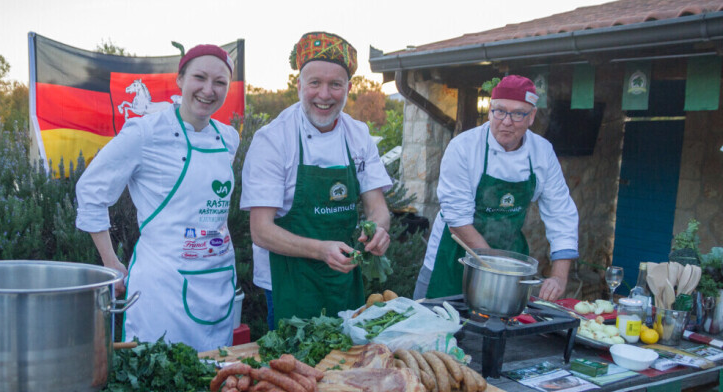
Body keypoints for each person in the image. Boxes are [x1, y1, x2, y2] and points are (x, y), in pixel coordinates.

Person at [76, 44, 240, 352]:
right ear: (180, 80)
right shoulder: (145, 133)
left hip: (216, 282)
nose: (208, 90)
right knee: (158, 384)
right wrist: (111, 262)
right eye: (199, 77)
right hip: (161, 290)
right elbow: (91, 190)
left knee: (212, 386)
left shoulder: (228, 138)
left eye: (220, 82)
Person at [240, 32, 392, 328]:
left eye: (335, 84)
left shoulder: (358, 135)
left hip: (343, 276)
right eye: (315, 83)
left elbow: (378, 207)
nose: (325, 95)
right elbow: (261, 231)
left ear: (348, 88)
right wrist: (321, 250)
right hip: (288, 280)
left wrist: (380, 230)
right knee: (294, 365)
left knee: (346, 364)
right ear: (299, 86)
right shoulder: (273, 139)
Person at [414, 75, 578, 302]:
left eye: (518, 113)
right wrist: (498, 269)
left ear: (531, 117)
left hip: (508, 264)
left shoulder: (542, 153)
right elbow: (458, 219)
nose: (507, 121)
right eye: (500, 111)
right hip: (450, 261)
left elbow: (561, 214)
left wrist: (559, 276)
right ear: (490, 111)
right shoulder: (464, 147)